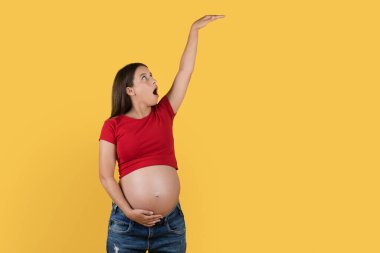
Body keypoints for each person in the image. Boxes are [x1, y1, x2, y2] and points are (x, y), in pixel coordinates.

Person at [98, 15, 225, 253]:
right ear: (130, 90)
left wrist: (194, 30)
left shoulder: (164, 112)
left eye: (151, 74)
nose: (153, 79)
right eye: (144, 77)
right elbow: (105, 176)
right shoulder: (113, 125)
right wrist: (129, 212)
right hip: (127, 226)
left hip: (169, 226)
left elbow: (185, 72)